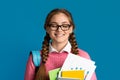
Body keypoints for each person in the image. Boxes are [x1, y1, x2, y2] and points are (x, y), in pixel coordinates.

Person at [24, 8, 97, 80]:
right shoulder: (36, 58)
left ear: (71, 28)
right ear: (47, 28)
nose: (59, 30)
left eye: (65, 26)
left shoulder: (83, 56)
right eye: (54, 25)